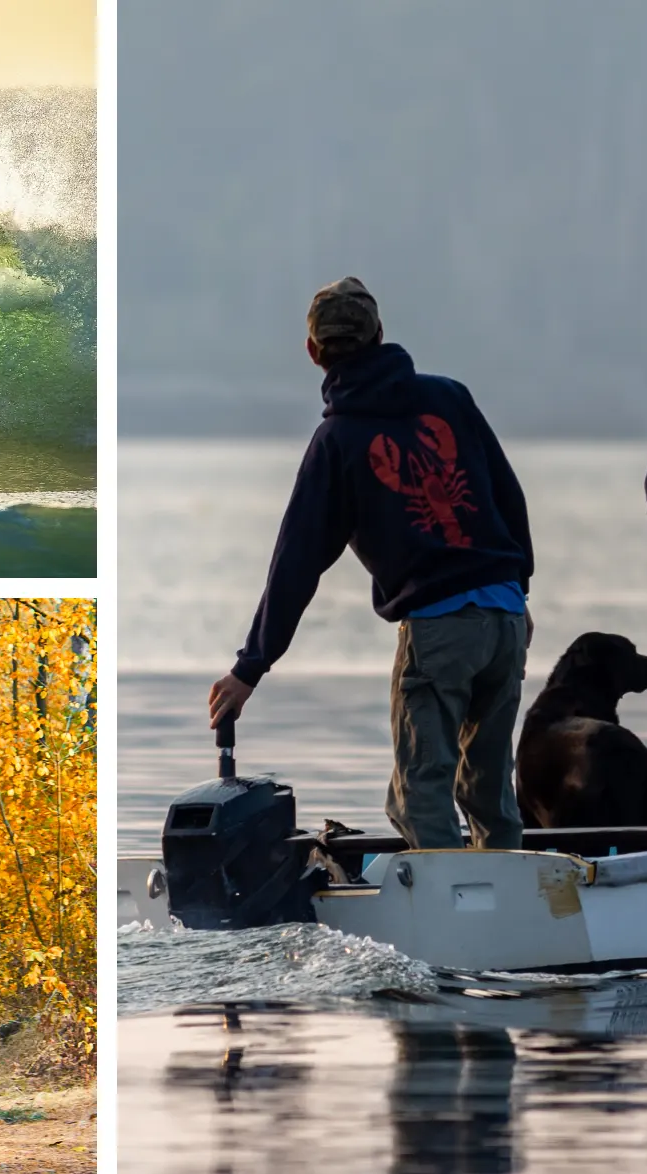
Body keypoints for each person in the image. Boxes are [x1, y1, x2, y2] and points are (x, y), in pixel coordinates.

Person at [208, 277, 536, 851]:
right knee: (489, 789)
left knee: (419, 794)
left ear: (313, 351)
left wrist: (250, 667)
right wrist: (520, 591)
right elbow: (509, 498)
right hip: (505, 619)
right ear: (381, 334)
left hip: (439, 630)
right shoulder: (451, 398)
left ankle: (447, 898)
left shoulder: (337, 440)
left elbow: (296, 563)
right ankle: (508, 884)